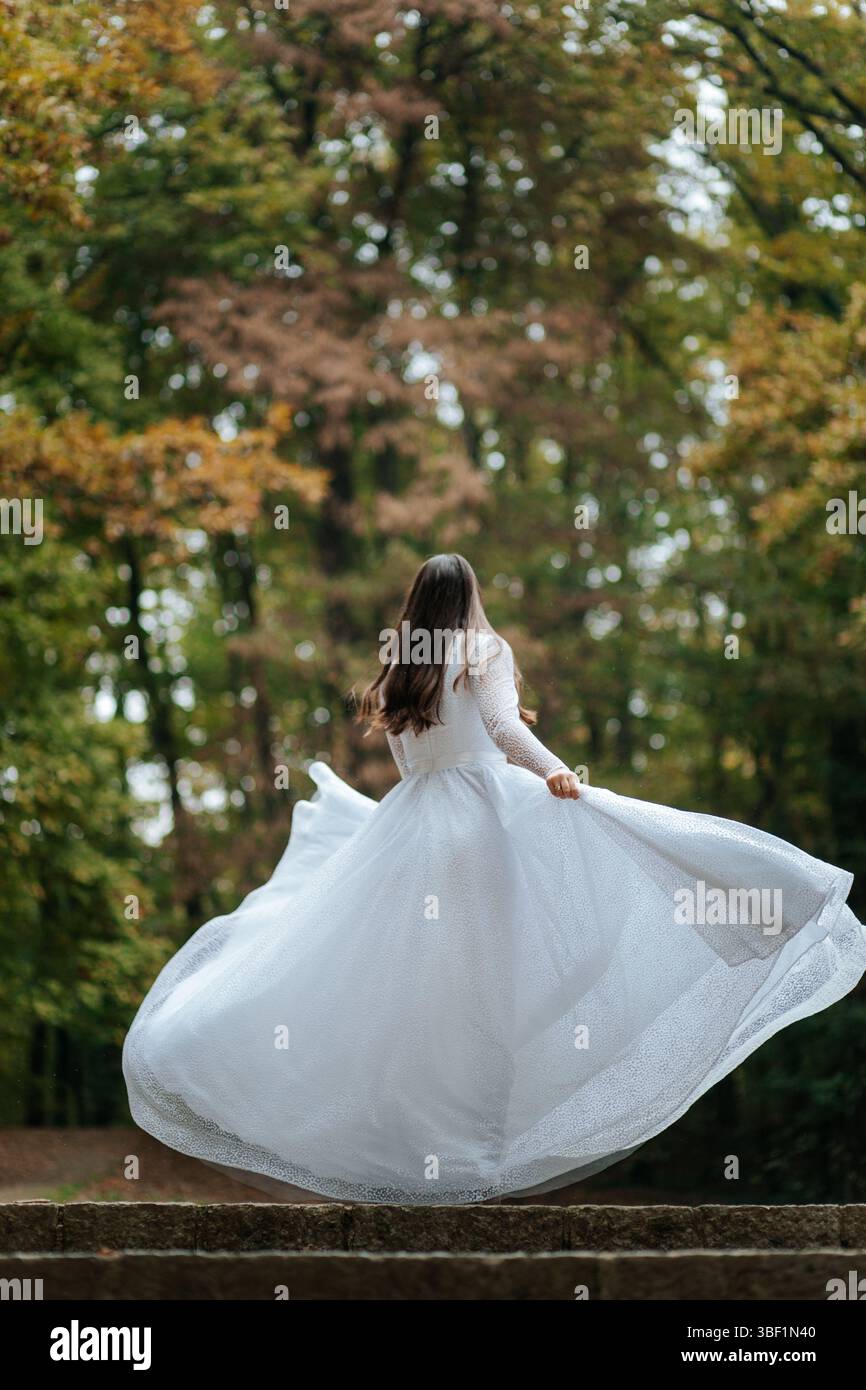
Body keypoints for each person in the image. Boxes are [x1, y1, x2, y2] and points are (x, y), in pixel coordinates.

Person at [123, 553, 866, 1204]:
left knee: (418, 1004)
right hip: (477, 831)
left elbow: (419, 763)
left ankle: (420, 1158)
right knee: (486, 997)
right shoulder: (484, 648)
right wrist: (559, 773)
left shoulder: (401, 670)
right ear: (470, 598)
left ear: (416, 605)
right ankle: (467, 1161)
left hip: (410, 836)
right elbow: (506, 734)